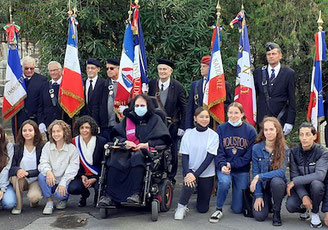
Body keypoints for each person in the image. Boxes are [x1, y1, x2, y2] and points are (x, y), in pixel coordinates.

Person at [98, 94, 171, 205]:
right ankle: (109, 196)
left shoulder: (155, 119)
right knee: (114, 158)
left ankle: (135, 194)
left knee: (137, 157)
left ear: (148, 106)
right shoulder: (128, 119)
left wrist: (147, 144)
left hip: (146, 153)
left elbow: (163, 139)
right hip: (127, 150)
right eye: (137, 105)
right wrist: (125, 141)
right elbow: (116, 135)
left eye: (142, 105)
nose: (139, 108)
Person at [209, 102, 257, 223]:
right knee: (224, 182)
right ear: (227, 113)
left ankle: (235, 199)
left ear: (242, 114)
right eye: (231, 112)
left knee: (237, 209)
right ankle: (219, 208)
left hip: (242, 170)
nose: (233, 115)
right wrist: (222, 165)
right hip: (225, 167)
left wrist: (232, 164)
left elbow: (249, 156)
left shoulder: (250, 130)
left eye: (236, 113)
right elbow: (218, 151)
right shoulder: (221, 128)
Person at [174, 107, 219, 220]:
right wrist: (188, 174)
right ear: (195, 118)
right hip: (191, 171)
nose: (204, 119)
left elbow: (209, 158)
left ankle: (199, 193)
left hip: (206, 173)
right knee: (188, 184)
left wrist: (195, 175)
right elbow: (185, 156)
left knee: (203, 209)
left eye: (207, 117)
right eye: (201, 117)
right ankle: (181, 205)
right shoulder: (188, 134)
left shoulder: (214, 135)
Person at [148, 58, 186, 184]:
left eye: (165, 69)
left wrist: (182, 126)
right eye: (160, 69)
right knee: (155, 149)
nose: (162, 72)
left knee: (173, 151)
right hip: (155, 125)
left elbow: (183, 108)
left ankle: (171, 177)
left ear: (170, 71)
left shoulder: (178, 86)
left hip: (172, 125)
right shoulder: (152, 84)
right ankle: (155, 174)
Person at [286, 122, 328, 228]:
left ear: (314, 136)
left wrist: (295, 182)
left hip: (319, 189)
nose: (304, 138)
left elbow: (319, 175)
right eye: (301, 134)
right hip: (302, 188)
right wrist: (304, 196)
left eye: (308, 134)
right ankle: (305, 209)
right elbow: (294, 175)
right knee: (290, 206)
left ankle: (315, 213)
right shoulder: (294, 152)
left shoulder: (322, 153)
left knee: (316, 184)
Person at [249, 117, 288, 226]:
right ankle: (267, 203)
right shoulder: (256, 148)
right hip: (263, 187)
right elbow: (255, 171)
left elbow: (281, 172)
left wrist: (259, 177)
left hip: (278, 186)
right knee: (259, 216)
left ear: (277, 131)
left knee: (277, 181)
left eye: (271, 129)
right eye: (266, 130)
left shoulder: (284, 148)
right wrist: (258, 195)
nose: (268, 132)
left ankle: (276, 212)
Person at [38, 120, 80, 215]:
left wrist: (63, 183)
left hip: (63, 180)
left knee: (60, 195)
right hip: (51, 179)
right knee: (41, 176)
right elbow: (43, 162)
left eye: (58, 131)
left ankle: (63, 199)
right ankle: (49, 202)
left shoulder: (72, 149)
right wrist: (48, 172)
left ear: (65, 132)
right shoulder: (47, 146)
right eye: (53, 132)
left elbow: (73, 168)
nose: (56, 134)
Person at [253, 42, 296, 135]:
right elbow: (253, 96)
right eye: (268, 54)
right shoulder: (258, 72)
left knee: (278, 148)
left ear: (280, 56)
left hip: (280, 119)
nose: (271, 56)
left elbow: (292, 100)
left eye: (274, 54)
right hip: (261, 120)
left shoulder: (289, 73)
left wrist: (290, 121)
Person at [68, 116, 106, 207]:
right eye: (82, 128)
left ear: (92, 128)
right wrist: (82, 176)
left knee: (99, 188)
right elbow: (73, 162)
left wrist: (95, 178)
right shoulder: (74, 142)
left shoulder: (101, 141)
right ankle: (84, 195)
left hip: (97, 174)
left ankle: (98, 196)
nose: (84, 130)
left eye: (87, 127)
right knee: (73, 188)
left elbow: (104, 162)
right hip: (82, 174)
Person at [185, 56, 232, 129]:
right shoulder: (195, 85)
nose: (201, 68)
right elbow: (190, 108)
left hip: (216, 125)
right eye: (201, 66)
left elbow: (227, 105)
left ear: (211, 68)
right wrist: (188, 127)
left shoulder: (223, 85)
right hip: (198, 125)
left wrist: (215, 107)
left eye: (204, 66)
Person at [9, 120, 44, 215]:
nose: (27, 133)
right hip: (21, 178)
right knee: (16, 177)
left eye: (30, 130)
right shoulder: (17, 147)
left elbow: (43, 167)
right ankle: (18, 206)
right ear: (21, 132)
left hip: (35, 179)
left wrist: (28, 173)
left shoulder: (42, 147)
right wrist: (18, 170)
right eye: (24, 130)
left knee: (34, 197)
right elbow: (11, 166)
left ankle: (35, 201)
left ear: (35, 132)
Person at [12, 56, 47, 137]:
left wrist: (41, 121)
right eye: (26, 68)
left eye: (32, 68)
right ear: (22, 67)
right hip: (18, 119)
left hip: (34, 119)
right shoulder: (15, 79)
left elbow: (42, 102)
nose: (29, 71)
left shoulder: (42, 80)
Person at [38, 61, 72, 136]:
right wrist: (41, 122)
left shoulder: (67, 85)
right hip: (49, 125)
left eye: (55, 70)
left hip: (65, 124)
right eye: (51, 71)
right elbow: (40, 106)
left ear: (61, 70)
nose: (53, 73)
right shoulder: (44, 86)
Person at [99, 58, 120, 141]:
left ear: (119, 68)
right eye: (107, 68)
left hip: (121, 125)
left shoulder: (126, 85)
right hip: (106, 126)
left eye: (112, 68)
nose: (109, 70)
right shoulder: (103, 85)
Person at [80, 59, 105, 126]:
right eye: (88, 68)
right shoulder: (82, 83)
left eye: (92, 68)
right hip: (84, 121)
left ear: (98, 69)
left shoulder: (103, 83)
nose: (90, 70)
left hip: (99, 121)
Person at [0, 125, 16, 211]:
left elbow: (7, 168)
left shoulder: (8, 146)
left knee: (10, 203)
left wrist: (2, 189)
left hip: (5, 182)